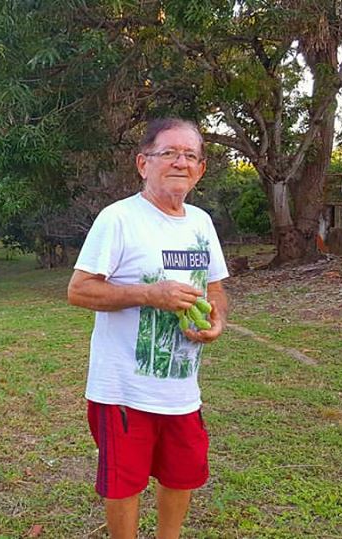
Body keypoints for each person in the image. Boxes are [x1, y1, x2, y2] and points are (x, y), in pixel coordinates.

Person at [67, 118, 229, 539]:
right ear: (143, 163)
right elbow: (80, 291)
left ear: (201, 169)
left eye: (190, 155)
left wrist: (217, 321)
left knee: (182, 475)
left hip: (181, 388)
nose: (181, 162)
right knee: (125, 482)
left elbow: (215, 288)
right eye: (169, 153)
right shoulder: (118, 219)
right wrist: (149, 294)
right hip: (123, 389)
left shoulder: (201, 223)